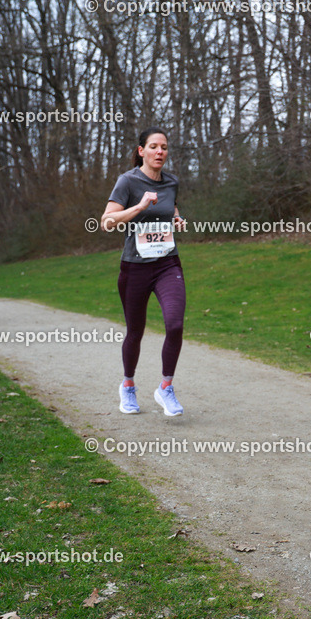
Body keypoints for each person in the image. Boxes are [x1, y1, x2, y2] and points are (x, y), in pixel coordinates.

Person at [101, 126, 187, 417]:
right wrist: (138, 206)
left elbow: (170, 206)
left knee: (174, 324)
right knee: (135, 332)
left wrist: (176, 219)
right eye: (153, 147)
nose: (159, 152)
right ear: (141, 151)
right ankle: (127, 386)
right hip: (135, 267)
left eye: (163, 147)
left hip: (167, 263)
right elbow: (107, 222)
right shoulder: (127, 181)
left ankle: (165, 388)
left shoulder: (172, 182)